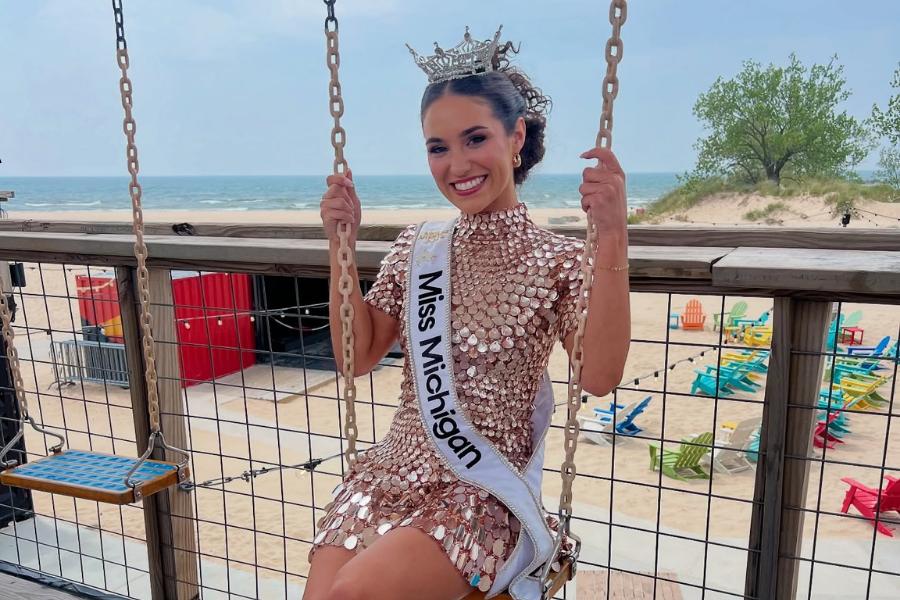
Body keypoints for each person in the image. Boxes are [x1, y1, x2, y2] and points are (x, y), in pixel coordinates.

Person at [306, 27, 630, 600]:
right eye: (438, 147)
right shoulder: (417, 246)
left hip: (479, 492)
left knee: (348, 595)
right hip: (389, 475)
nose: (457, 164)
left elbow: (600, 376)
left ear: (516, 137)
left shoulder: (556, 259)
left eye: (474, 138)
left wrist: (611, 234)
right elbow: (357, 357)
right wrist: (341, 245)